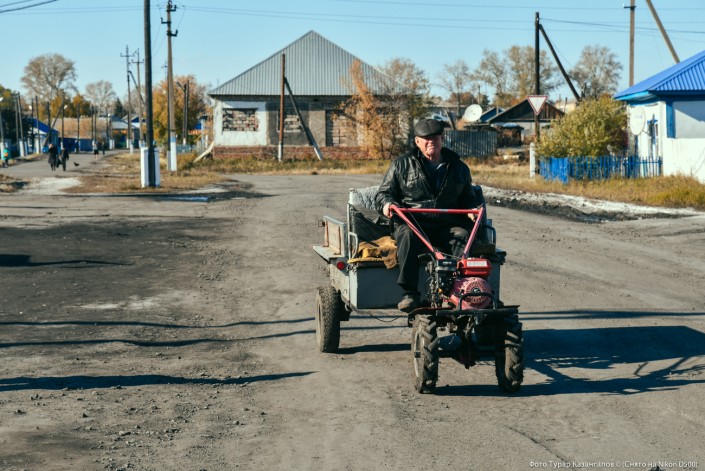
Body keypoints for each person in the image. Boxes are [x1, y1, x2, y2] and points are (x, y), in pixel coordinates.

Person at [375, 118, 480, 313]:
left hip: (446, 225)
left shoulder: (459, 167)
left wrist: (472, 210)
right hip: (414, 223)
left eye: (436, 138)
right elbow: (383, 194)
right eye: (426, 139)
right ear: (417, 141)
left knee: (463, 236)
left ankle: (457, 291)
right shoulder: (401, 165)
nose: (431, 142)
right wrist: (388, 204)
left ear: (442, 139)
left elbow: (468, 198)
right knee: (407, 235)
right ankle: (410, 293)